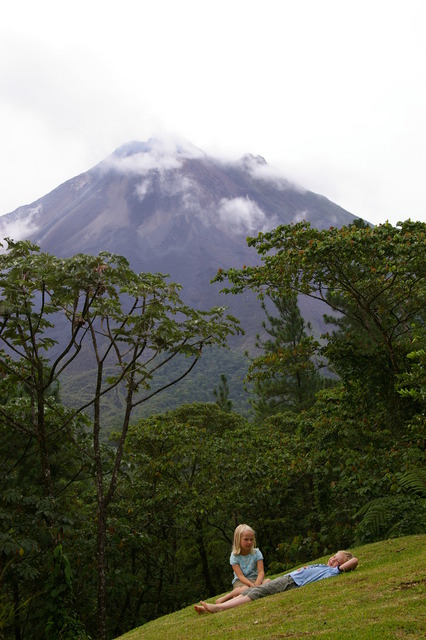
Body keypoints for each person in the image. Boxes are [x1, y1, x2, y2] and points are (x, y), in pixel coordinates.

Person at [195, 550, 358, 614]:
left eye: (337, 560)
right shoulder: (325, 566)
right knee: (249, 591)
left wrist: (342, 564)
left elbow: (355, 561)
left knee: (258, 592)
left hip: (292, 582)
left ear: (341, 566)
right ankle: (209, 608)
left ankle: (219, 608)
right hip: (288, 578)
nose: (333, 560)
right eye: (333, 556)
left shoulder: (332, 572)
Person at [215, 524, 270, 604]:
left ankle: (236, 597)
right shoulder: (234, 556)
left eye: (251, 539)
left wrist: (257, 583)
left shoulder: (256, 552)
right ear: (238, 540)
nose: (249, 542)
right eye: (246, 539)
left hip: (255, 579)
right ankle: (228, 596)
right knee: (244, 589)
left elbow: (261, 571)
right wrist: (250, 584)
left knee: (268, 581)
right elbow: (240, 576)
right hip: (241, 582)